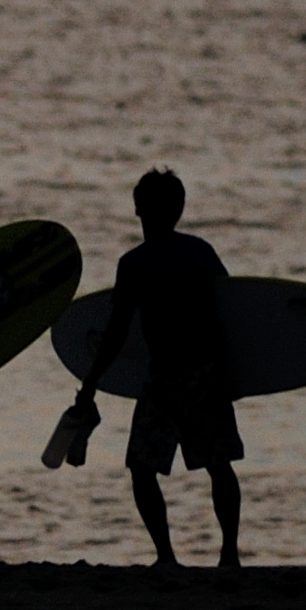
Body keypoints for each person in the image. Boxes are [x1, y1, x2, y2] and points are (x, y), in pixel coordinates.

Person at [76, 169, 240, 568]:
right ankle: (229, 554)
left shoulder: (134, 264)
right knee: (218, 465)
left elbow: (115, 334)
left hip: (165, 377)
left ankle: (166, 557)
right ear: (179, 210)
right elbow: (234, 313)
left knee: (141, 467)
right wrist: (234, 374)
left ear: (137, 209)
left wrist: (90, 383)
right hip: (206, 373)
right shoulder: (200, 252)